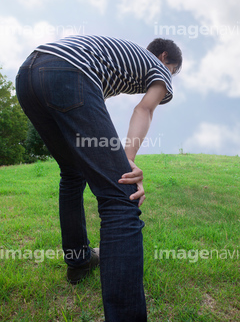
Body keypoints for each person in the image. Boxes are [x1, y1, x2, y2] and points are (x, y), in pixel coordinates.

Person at [16, 35, 182, 322]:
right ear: (165, 57)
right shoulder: (157, 67)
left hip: (28, 76)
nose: (170, 79)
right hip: (69, 71)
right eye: (174, 72)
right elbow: (144, 109)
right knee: (122, 195)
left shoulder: (116, 60)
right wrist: (128, 160)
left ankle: (79, 261)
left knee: (72, 172)